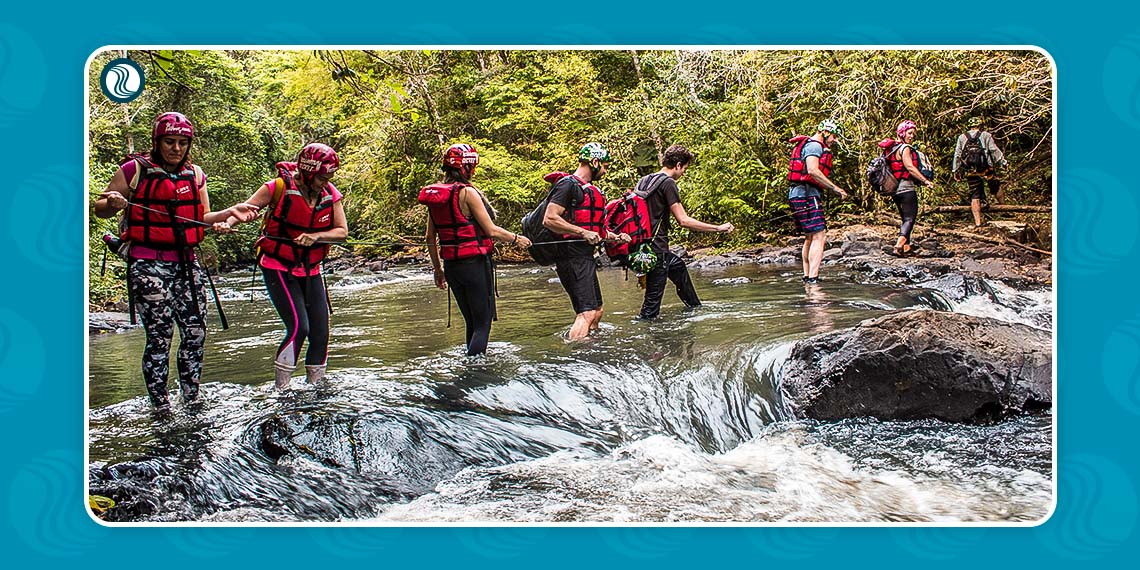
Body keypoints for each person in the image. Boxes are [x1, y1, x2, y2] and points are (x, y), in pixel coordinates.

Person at [93, 112, 258, 410]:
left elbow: (202, 217)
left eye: (182, 143)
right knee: (160, 335)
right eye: (170, 142)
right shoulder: (134, 170)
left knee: (195, 332)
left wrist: (227, 216)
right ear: (157, 142)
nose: (176, 148)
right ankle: (160, 405)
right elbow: (100, 208)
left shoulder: (195, 175)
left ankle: (191, 399)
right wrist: (111, 202)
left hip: (186, 262)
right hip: (147, 263)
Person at [223, 143, 347, 389]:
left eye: (330, 177)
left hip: (311, 269)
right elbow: (245, 210)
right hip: (278, 266)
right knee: (299, 327)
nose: (327, 181)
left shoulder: (330, 195)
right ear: (309, 172)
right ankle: (282, 390)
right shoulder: (277, 187)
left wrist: (316, 236)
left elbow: (341, 232)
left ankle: (315, 388)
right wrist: (227, 223)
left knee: (321, 334)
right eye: (323, 177)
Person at [420, 143, 532, 356]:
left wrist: (438, 270)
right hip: (475, 266)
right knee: (483, 323)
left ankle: (471, 365)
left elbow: (429, 238)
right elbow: (491, 230)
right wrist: (517, 239)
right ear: (467, 167)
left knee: (471, 321)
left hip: (452, 268)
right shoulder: (467, 193)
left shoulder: (437, 197)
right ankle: (474, 374)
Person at [636, 144, 734, 319]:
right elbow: (683, 220)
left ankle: (696, 310)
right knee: (650, 309)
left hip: (642, 247)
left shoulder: (644, 180)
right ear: (678, 165)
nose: (683, 173)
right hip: (657, 251)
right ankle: (644, 339)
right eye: (685, 169)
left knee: (678, 267)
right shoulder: (668, 183)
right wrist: (717, 228)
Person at [542, 143, 628, 340]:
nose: (605, 171)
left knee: (597, 311)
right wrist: (582, 233)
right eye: (604, 166)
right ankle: (578, 358)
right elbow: (550, 218)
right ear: (595, 162)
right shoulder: (567, 185)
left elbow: (595, 230)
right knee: (587, 313)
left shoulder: (588, 190)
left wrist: (615, 237)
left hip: (584, 256)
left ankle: (593, 349)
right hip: (571, 256)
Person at [787, 120, 848, 284]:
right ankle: (813, 278)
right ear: (826, 132)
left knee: (810, 236)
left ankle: (807, 276)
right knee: (819, 235)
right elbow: (813, 170)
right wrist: (835, 188)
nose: (834, 140)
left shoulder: (809, 145)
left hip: (798, 193)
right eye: (834, 136)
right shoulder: (815, 146)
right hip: (806, 194)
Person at [882, 120, 934, 256]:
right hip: (906, 188)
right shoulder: (904, 149)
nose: (911, 136)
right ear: (902, 133)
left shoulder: (891, 149)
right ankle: (898, 246)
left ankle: (906, 248)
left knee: (905, 218)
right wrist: (925, 180)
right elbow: (910, 167)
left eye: (913, 134)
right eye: (909, 133)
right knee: (910, 218)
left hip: (895, 190)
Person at [952, 117, 1009, 227]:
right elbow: (993, 150)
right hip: (986, 169)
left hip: (971, 170)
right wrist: (1003, 162)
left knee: (975, 195)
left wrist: (956, 170)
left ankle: (978, 223)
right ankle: (1004, 209)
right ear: (980, 125)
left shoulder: (962, 137)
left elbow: (957, 154)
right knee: (995, 186)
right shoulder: (985, 135)